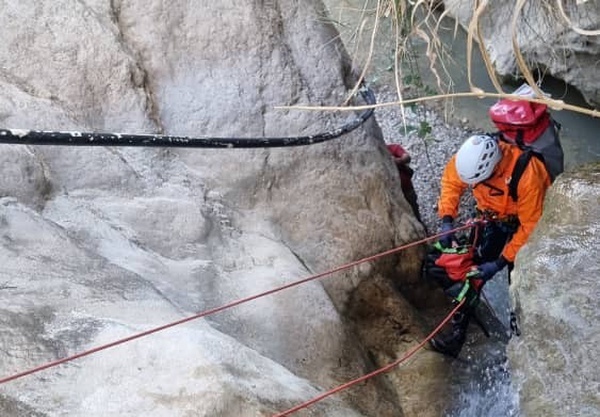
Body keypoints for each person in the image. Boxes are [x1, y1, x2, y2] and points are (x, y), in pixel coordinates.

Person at [429, 133, 551, 357]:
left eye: (476, 182)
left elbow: (531, 226)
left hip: (522, 225)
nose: (472, 186)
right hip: (492, 219)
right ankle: (457, 335)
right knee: (471, 275)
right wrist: (447, 219)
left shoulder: (528, 174)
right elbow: (451, 182)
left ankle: (517, 351)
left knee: (519, 287)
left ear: (492, 169)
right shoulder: (470, 159)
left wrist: (501, 261)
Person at [387, 143, 422, 222]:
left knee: (414, 210)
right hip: (393, 194)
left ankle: (421, 228)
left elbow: (407, 157)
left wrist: (397, 161)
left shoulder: (393, 148)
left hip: (406, 189)